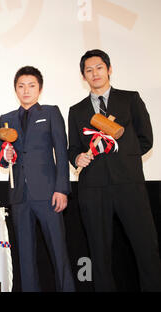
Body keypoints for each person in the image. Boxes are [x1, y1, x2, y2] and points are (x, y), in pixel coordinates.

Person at [68, 49, 161, 291]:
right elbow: (73, 149)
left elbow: (145, 139)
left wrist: (123, 159)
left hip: (129, 184)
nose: (94, 73)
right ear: (83, 76)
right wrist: (77, 157)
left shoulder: (130, 99)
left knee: (146, 247)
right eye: (89, 70)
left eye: (99, 67)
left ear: (109, 69)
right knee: (99, 254)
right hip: (93, 188)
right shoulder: (76, 111)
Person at [0, 66, 75, 292]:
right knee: (25, 257)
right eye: (21, 86)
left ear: (39, 88)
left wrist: (62, 188)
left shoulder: (50, 113)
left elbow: (61, 153)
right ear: (15, 89)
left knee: (58, 252)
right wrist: (6, 156)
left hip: (49, 193)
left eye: (31, 85)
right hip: (19, 195)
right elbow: (3, 160)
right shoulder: (6, 119)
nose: (26, 90)